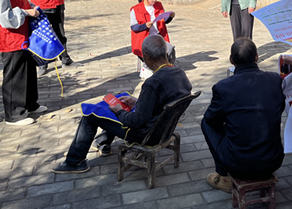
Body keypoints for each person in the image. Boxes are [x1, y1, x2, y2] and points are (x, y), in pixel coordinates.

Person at [52, 35, 192, 173]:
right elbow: (162, 101)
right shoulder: (179, 72)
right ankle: (103, 142)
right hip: (165, 129)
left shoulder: (153, 83)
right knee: (121, 99)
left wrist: (119, 111)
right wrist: (136, 103)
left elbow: (136, 121)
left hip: (145, 135)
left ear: (146, 57)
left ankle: (75, 161)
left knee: (90, 114)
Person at [201, 38, 285, 192]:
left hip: (237, 164)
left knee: (207, 123)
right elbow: (279, 108)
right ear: (256, 57)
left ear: (231, 60)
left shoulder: (223, 87)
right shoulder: (275, 80)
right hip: (273, 159)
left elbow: (211, 120)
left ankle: (223, 174)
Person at [131, 0, 175, 79]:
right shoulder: (135, 9)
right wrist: (144, 26)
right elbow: (134, 27)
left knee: (170, 49)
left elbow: (164, 20)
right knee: (151, 51)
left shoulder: (158, 5)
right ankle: (146, 69)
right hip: (144, 39)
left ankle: (163, 68)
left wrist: (170, 17)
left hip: (158, 36)